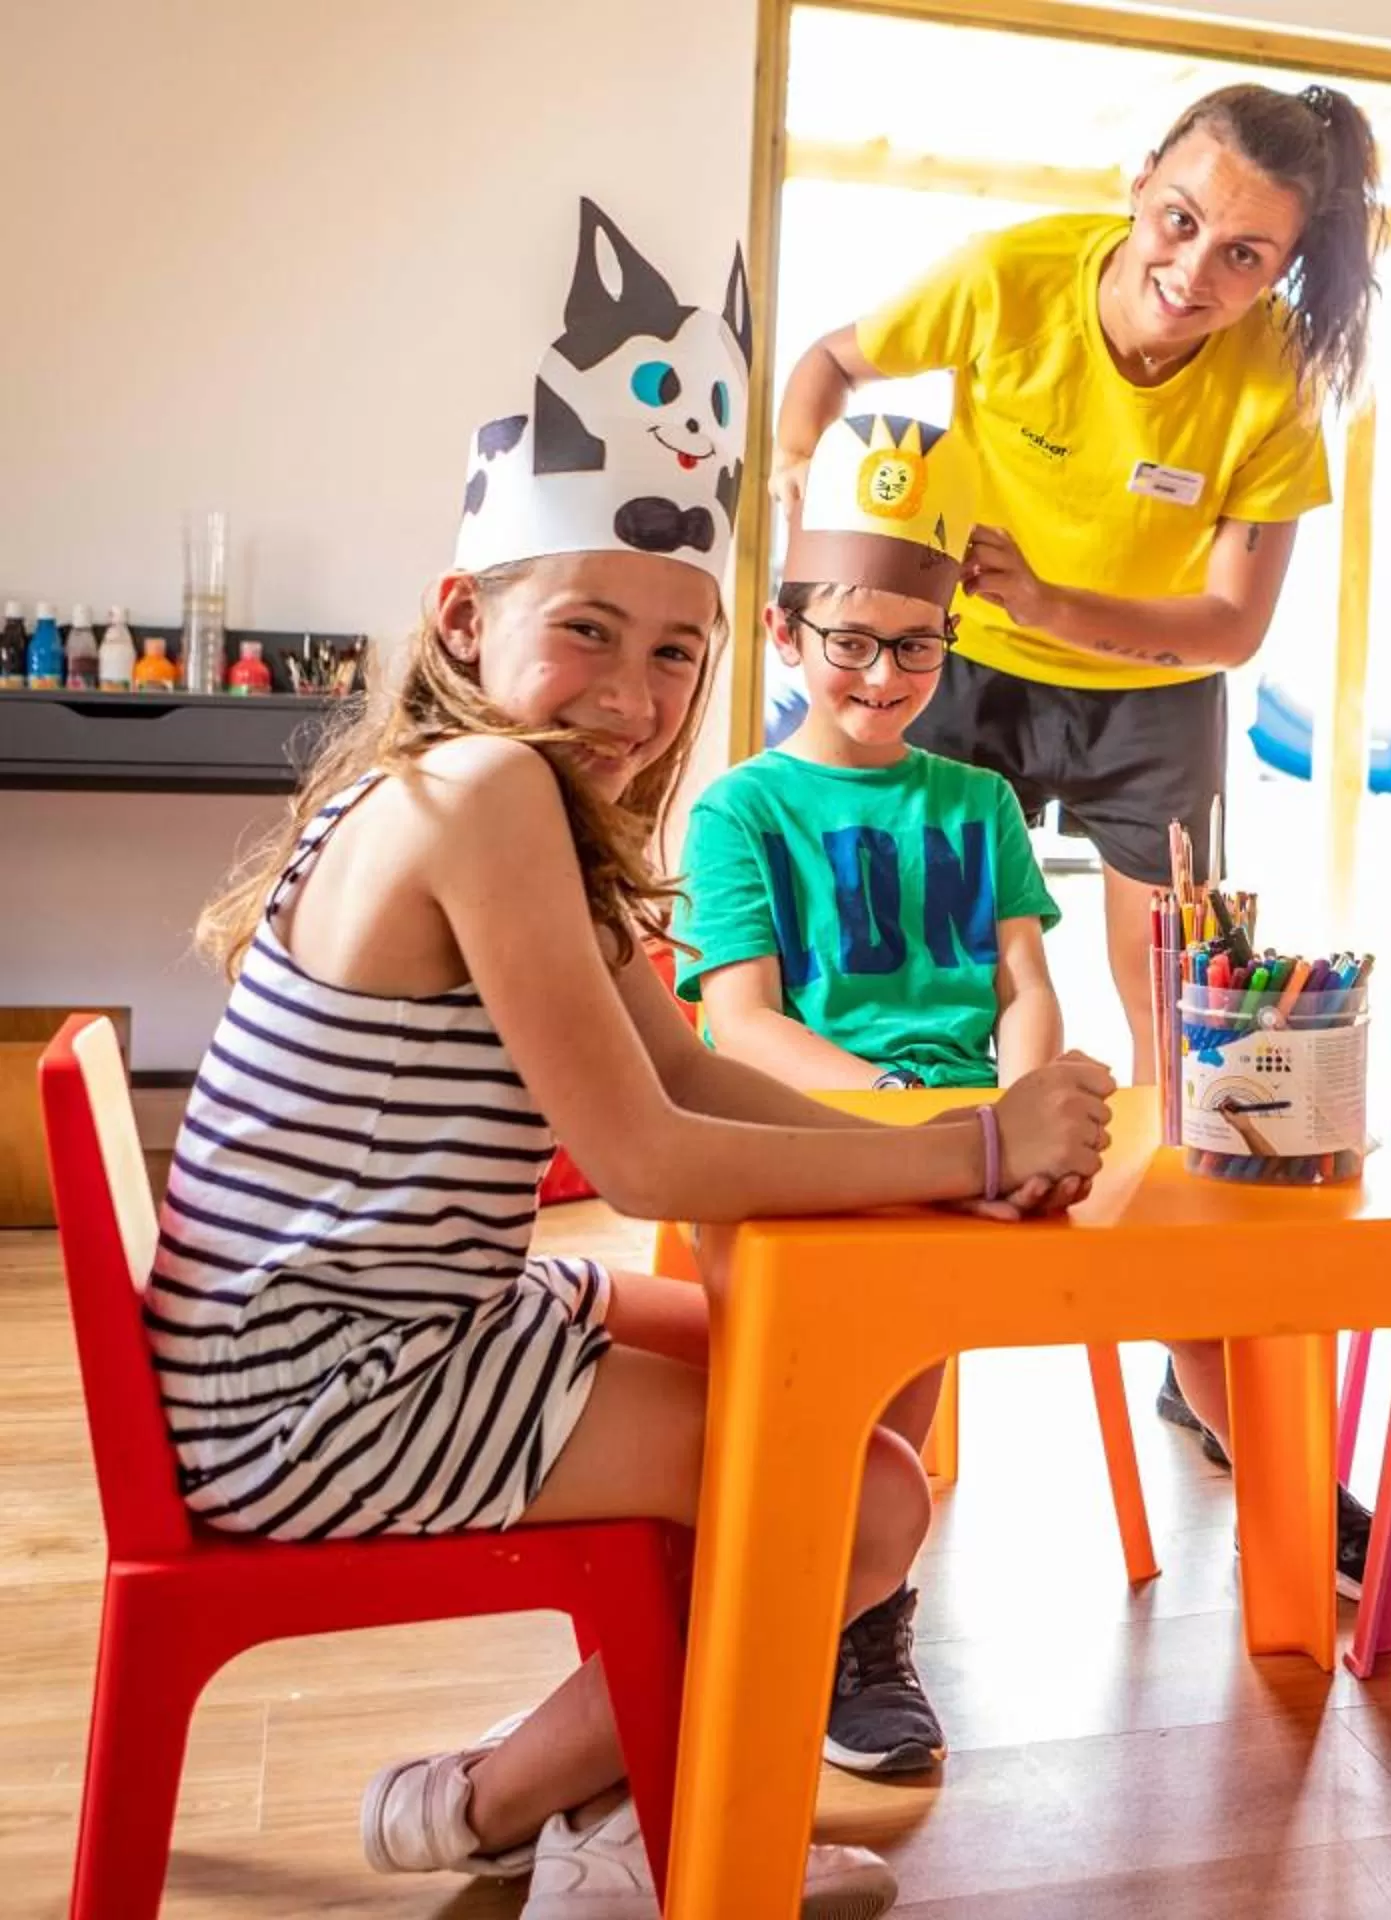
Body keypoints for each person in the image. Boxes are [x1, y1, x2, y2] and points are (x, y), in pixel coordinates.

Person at [148, 198, 1111, 1919]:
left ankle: (628, 1794)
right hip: (316, 1391)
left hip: (365, 1330)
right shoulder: (485, 795)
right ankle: (542, 1809)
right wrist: (971, 1152)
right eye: (587, 628)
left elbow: (684, 1069)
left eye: (678, 650)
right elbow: (658, 1162)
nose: (642, 691)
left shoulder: (518, 801)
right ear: (463, 621)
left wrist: (972, 1124)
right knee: (863, 1503)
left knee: (784, 1384)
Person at [769, 80, 1385, 1093]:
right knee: (934, 966)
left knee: (1174, 995)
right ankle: (926, 1158)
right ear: (1140, 185)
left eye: (1244, 257)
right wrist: (799, 458)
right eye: (1178, 222)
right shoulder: (1012, 276)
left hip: (1154, 695)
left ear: (1285, 265)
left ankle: (1161, 1208)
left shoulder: (1279, 375)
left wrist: (1048, 600)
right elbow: (831, 361)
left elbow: (1232, 629)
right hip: (965, 669)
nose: (1191, 274)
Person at [674, 412, 1065, 1776]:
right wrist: (925, 1122)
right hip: (817, 1136)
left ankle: (856, 1603)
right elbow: (742, 1022)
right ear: (787, 639)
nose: (884, 673)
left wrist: (1020, 1118)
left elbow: (1024, 986)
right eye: (850, 641)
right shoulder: (739, 810)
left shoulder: (980, 802)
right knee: (875, 1336)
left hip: (970, 1139)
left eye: (916, 644)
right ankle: (855, 1615)